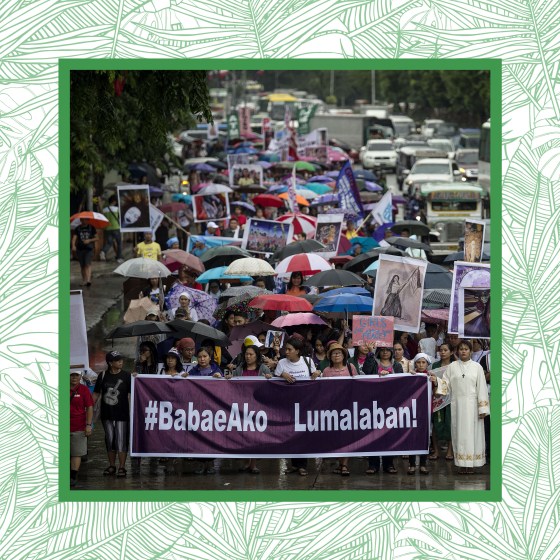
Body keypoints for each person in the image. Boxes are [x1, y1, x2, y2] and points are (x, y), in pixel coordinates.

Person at [434, 340, 489, 474]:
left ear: (470, 351)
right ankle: (462, 464)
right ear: (457, 351)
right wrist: (436, 381)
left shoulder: (477, 367)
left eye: (466, 349)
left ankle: (471, 464)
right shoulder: (452, 366)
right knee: (459, 434)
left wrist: (483, 408)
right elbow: (445, 385)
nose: (463, 351)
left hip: (473, 406)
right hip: (457, 405)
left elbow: (482, 387)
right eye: (461, 349)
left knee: (472, 435)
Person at [275, 336, 319, 476]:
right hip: (287, 405)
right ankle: (293, 464)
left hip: (305, 404)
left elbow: (316, 376)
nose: (286, 352)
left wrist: (318, 373)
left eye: (289, 349)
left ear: (298, 351)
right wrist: (282, 374)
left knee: (302, 435)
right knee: (290, 435)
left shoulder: (308, 361)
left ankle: (302, 465)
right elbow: (274, 380)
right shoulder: (281, 363)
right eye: (286, 349)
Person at [363, 346, 403, 475]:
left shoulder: (396, 365)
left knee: (389, 434)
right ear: (378, 352)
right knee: (373, 434)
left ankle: (388, 464)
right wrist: (370, 354)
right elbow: (366, 372)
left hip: (391, 404)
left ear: (391, 352)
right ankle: (373, 464)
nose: (385, 352)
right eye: (382, 350)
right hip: (374, 402)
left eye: (387, 350)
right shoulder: (373, 362)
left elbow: (402, 381)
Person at [93, 351, 132, 478]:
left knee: (121, 440)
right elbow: (96, 393)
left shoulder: (127, 376)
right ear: (110, 363)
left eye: (121, 359)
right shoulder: (103, 375)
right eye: (117, 360)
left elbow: (135, 393)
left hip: (122, 414)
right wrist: (88, 406)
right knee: (110, 440)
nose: (121, 362)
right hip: (106, 414)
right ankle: (111, 465)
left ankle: (122, 467)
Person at [321, 343, 357, 476]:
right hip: (332, 409)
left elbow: (357, 385)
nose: (336, 355)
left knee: (346, 436)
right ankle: (340, 463)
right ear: (329, 356)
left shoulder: (350, 367)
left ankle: (344, 465)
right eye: (333, 353)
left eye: (339, 353)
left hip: (348, 408)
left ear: (344, 355)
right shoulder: (326, 371)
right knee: (336, 437)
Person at [408, 353, 432, 475]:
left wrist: (435, 381)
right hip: (413, 411)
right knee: (412, 436)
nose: (421, 365)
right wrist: (410, 377)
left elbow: (440, 391)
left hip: (426, 411)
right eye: (419, 362)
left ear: (427, 364)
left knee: (425, 437)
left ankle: (423, 464)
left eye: (423, 362)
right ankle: (412, 464)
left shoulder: (431, 376)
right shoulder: (411, 375)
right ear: (415, 363)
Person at [430, 342, 455, 461]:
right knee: (436, 423)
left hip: (451, 399)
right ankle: (436, 450)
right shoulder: (434, 365)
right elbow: (428, 380)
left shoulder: (455, 365)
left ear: (452, 352)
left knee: (451, 423)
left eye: (445, 350)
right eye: (441, 350)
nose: (443, 352)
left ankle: (450, 450)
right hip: (438, 398)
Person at [70, 368, 94, 487]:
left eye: (76, 375)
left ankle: (73, 476)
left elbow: (89, 407)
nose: (74, 377)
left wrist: (88, 425)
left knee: (76, 453)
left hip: (78, 426)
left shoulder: (84, 390)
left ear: (80, 377)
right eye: (71, 375)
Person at [71, 217, 98, 286]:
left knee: (87, 264)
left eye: (85, 219)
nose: (84, 221)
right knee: (82, 265)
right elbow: (74, 238)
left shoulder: (91, 228)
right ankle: (84, 280)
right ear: (80, 220)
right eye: (82, 219)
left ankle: (88, 280)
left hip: (89, 249)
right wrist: (73, 245)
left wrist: (89, 240)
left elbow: (97, 238)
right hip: (80, 249)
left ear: (88, 220)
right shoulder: (78, 228)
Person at [100, 195, 123, 263]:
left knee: (109, 243)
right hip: (116, 227)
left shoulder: (104, 210)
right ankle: (119, 257)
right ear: (114, 201)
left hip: (107, 228)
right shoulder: (117, 209)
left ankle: (103, 251)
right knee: (119, 243)